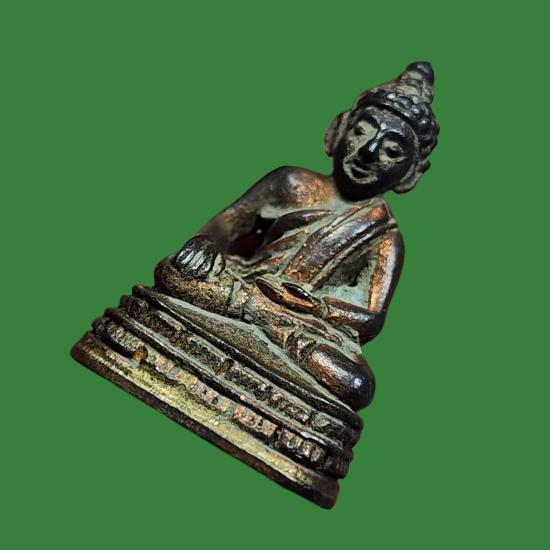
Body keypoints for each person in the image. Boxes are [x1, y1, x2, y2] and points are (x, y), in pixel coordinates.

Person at [155, 62, 439, 410]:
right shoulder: (291, 182)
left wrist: (314, 306)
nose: (367, 152)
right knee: (173, 271)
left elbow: (371, 317)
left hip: (298, 320)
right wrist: (206, 243)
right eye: (362, 132)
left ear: (412, 173)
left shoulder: (384, 236)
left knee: (356, 384)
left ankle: (254, 319)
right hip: (247, 283)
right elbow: (229, 223)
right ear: (337, 130)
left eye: (392, 151)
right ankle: (258, 322)